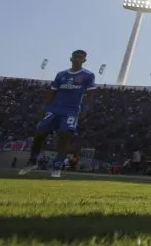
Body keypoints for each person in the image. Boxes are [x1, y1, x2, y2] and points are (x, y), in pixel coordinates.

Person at [19, 49, 96, 178]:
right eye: (75, 56)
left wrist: (85, 109)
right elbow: (53, 91)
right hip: (54, 109)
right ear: (71, 58)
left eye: (80, 57)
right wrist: (44, 107)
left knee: (64, 136)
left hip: (71, 110)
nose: (77, 59)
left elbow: (90, 93)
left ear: (84, 60)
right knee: (40, 133)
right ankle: (32, 162)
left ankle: (57, 166)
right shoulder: (61, 75)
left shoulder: (88, 75)